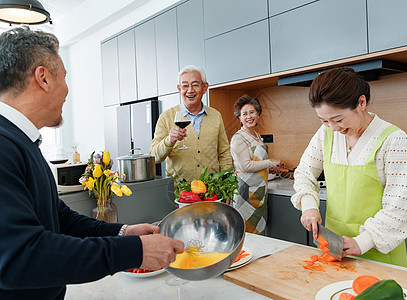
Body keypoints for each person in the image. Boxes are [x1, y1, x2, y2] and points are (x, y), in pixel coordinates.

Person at [0, 27, 184, 299]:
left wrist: (123, 233)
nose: (67, 90)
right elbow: (20, 257)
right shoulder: (4, 145)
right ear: (43, 78)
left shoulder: (21, 141)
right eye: (64, 77)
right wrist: (135, 252)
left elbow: (58, 218)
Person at [291, 67, 407, 267]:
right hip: (335, 253)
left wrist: (361, 242)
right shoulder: (326, 133)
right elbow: (305, 172)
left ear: (361, 102)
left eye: (338, 119)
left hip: (380, 256)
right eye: (324, 121)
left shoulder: (393, 140)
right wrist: (309, 207)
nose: (333, 128)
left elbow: (399, 207)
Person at [150, 65, 233, 183]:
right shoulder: (166, 117)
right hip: (180, 193)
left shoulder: (216, 116)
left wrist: (227, 183)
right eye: (185, 86)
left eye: (195, 85)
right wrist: (169, 140)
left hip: (212, 191)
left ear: (205, 88)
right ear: (179, 89)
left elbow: (224, 153)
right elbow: (154, 157)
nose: (190, 90)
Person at [230, 94, 283, 234]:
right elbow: (245, 166)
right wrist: (270, 162)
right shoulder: (238, 138)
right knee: (246, 234)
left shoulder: (257, 136)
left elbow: (257, 163)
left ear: (258, 114)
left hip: (259, 191)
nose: (249, 116)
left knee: (257, 232)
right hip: (245, 193)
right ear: (239, 118)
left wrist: (271, 169)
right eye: (244, 114)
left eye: (252, 112)